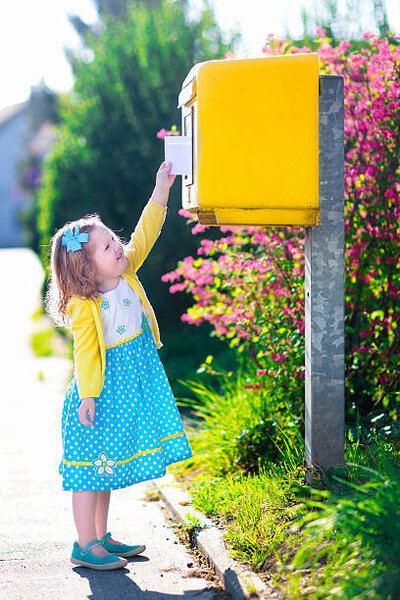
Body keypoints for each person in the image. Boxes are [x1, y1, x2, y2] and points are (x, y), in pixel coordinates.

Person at [46, 160, 193, 570]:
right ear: (87, 268)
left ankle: (101, 537)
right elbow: (86, 354)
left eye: (115, 240)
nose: (119, 247)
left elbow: (145, 233)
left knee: (105, 469)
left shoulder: (125, 273)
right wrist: (89, 396)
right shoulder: (85, 304)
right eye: (109, 246)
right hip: (98, 397)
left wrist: (160, 190)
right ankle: (84, 544)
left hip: (126, 388)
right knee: (87, 472)